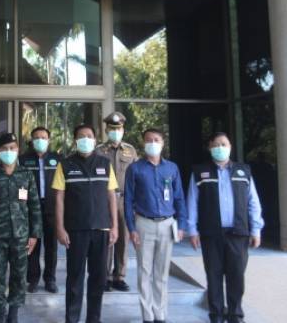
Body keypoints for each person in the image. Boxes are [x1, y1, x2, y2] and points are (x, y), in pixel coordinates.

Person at [187, 132, 264, 323]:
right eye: (216, 145)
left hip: (238, 233)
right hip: (211, 233)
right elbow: (192, 202)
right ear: (210, 148)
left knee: (236, 275)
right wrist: (192, 230)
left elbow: (253, 202)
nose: (220, 148)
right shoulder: (200, 172)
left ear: (230, 147)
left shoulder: (243, 171)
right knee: (213, 275)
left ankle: (235, 314)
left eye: (224, 144)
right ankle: (216, 314)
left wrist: (256, 229)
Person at [53, 124, 118, 323]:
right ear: (75, 140)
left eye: (89, 136)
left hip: (101, 228)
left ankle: (93, 319)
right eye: (81, 136)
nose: (86, 139)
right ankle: (72, 319)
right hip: (75, 230)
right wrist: (60, 228)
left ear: (95, 139)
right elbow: (59, 199)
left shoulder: (105, 163)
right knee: (75, 278)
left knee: (98, 279)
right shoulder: (65, 165)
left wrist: (115, 226)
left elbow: (111, 196)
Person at [0, 132, 42, 323]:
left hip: (21, 236)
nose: (8, 151)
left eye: (12, 148)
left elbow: (35, 206)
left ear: (18, 150)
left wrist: (34, 235)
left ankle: (13, 313)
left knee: (19, 276)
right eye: (4, 148)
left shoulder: (27, 175)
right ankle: (0, 311)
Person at [124, 128, 187, 323]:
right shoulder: (135, 169)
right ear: (143, 143)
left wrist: (182, 224)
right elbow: (128, 200)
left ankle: (160, 314)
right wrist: (131, 228)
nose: (152, 143)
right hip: (144, 224)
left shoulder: (172, 168)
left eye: (156, 139)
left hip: (167, 224)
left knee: (161, 273)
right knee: (144, 272)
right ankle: (147, 315)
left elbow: (179, 197)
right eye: (148, 140)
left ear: (162, 143)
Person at [95, 112, 138, 292]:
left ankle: (119, 276)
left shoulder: (131, 150)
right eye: (112, 129)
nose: (116, 132)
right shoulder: (98, 150)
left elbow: (136, 176)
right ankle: (104, 276)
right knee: (107, 238)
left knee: (123, 238)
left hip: (125, 199)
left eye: (118, 129)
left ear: (123, 130)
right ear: (106, 130)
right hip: (105, 199)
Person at [19, 126, 60, 294]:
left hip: (52, 207)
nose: (40, 140)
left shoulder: (58, 159)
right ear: (32, 140)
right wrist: (22, 204)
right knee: (32, 245)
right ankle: (33, 279)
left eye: (43, 137)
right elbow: (21, 185)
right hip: (31, 208)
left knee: (51, 246)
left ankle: (50, 279)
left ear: (48, 140)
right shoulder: (23, 160)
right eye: (36, 138)